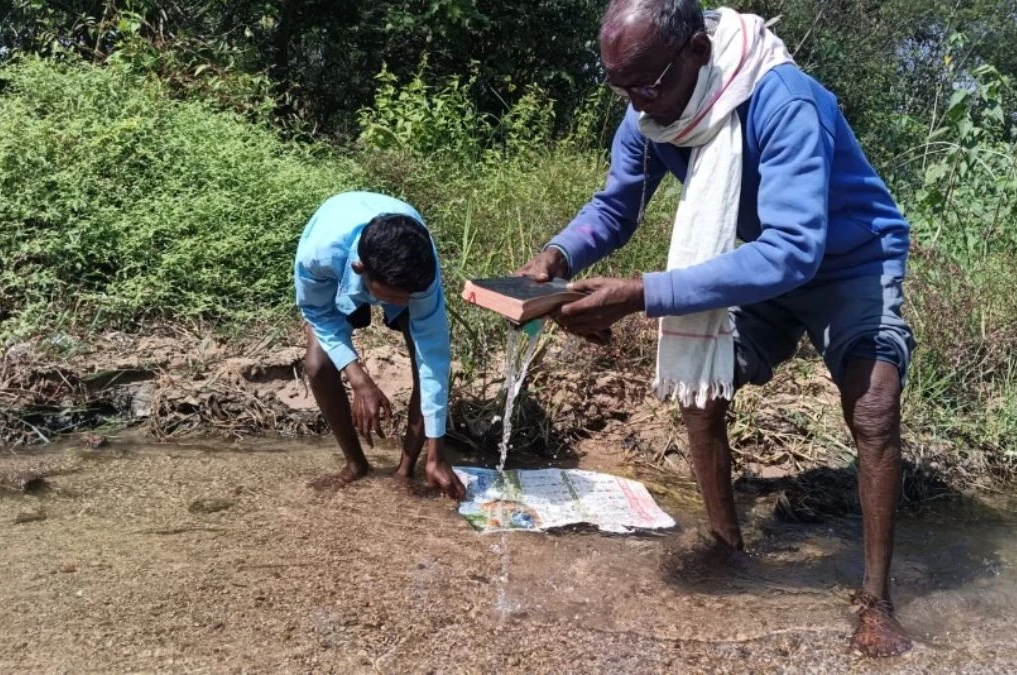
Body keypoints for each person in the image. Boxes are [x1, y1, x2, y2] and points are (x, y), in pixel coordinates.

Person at [517, 0, 915, 657]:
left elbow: (794, 251)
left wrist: (645, 293)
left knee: (873, 405)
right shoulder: (651, 103)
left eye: (644, 85)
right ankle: (728, 544)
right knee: (701, 382)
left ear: (697, 54)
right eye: (620, 87)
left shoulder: (784, 103)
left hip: (848, 257)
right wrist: (558, 255)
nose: (636, 105)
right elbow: (618, 204)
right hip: (754, 250)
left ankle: (876, 599)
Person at [295, 191, 464, 500]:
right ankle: (355, 464)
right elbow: (317, 312)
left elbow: (433, 362)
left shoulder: (422, 276)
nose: (402, 306)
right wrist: (359, 380)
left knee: (422, 362)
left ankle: (406, 469)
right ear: (361, 270)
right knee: (317, 366)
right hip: (340, 254)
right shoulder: (318, 254)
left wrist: (436, 453)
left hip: (399, 253)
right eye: (393, 297)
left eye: (408, 298)